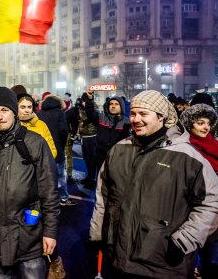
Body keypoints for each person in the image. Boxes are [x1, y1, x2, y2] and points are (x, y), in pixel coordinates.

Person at [89, 90, 218, 279]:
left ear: (161, 117)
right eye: (133, 113)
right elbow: (103, 196)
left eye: (143, 114)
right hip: (118, 259)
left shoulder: (188, 157)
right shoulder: (118, 150)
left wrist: (184, 240)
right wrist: (98, 234)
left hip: (165, 265)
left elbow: (211, 204)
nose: (136, 119)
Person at [0, 86, 60, 278]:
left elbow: (49, 190)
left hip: (28, 235)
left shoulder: (35, 142)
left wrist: (50, 231)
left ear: (14, 112)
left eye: (4, 110)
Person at [180, 104, 218, 278]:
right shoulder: (183, 147)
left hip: (214, 207)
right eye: (200, 123)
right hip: (192, 207)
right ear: (189, 124)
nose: (206, 127)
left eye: (208, 123)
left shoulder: (214, 144)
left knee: (212, 254)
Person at [37, 94, 78, 206]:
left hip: (42, 149)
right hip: (57, 148)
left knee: (43, 175)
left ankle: (45, 198)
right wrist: (62, 144)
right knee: (60, 175)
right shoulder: (60, 113)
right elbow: (63, 131)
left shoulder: (38, 113)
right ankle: (63, 198)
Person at [83, 94, 131, 189]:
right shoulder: (101, 118)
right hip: (101, 159)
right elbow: (90, 112)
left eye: (116, 104)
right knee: (101, 186)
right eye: (111, 104)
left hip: (119, 161)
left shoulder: (128, 123)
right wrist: (89, 99)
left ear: (121, 106)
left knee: (116, 187)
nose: (113, 106)